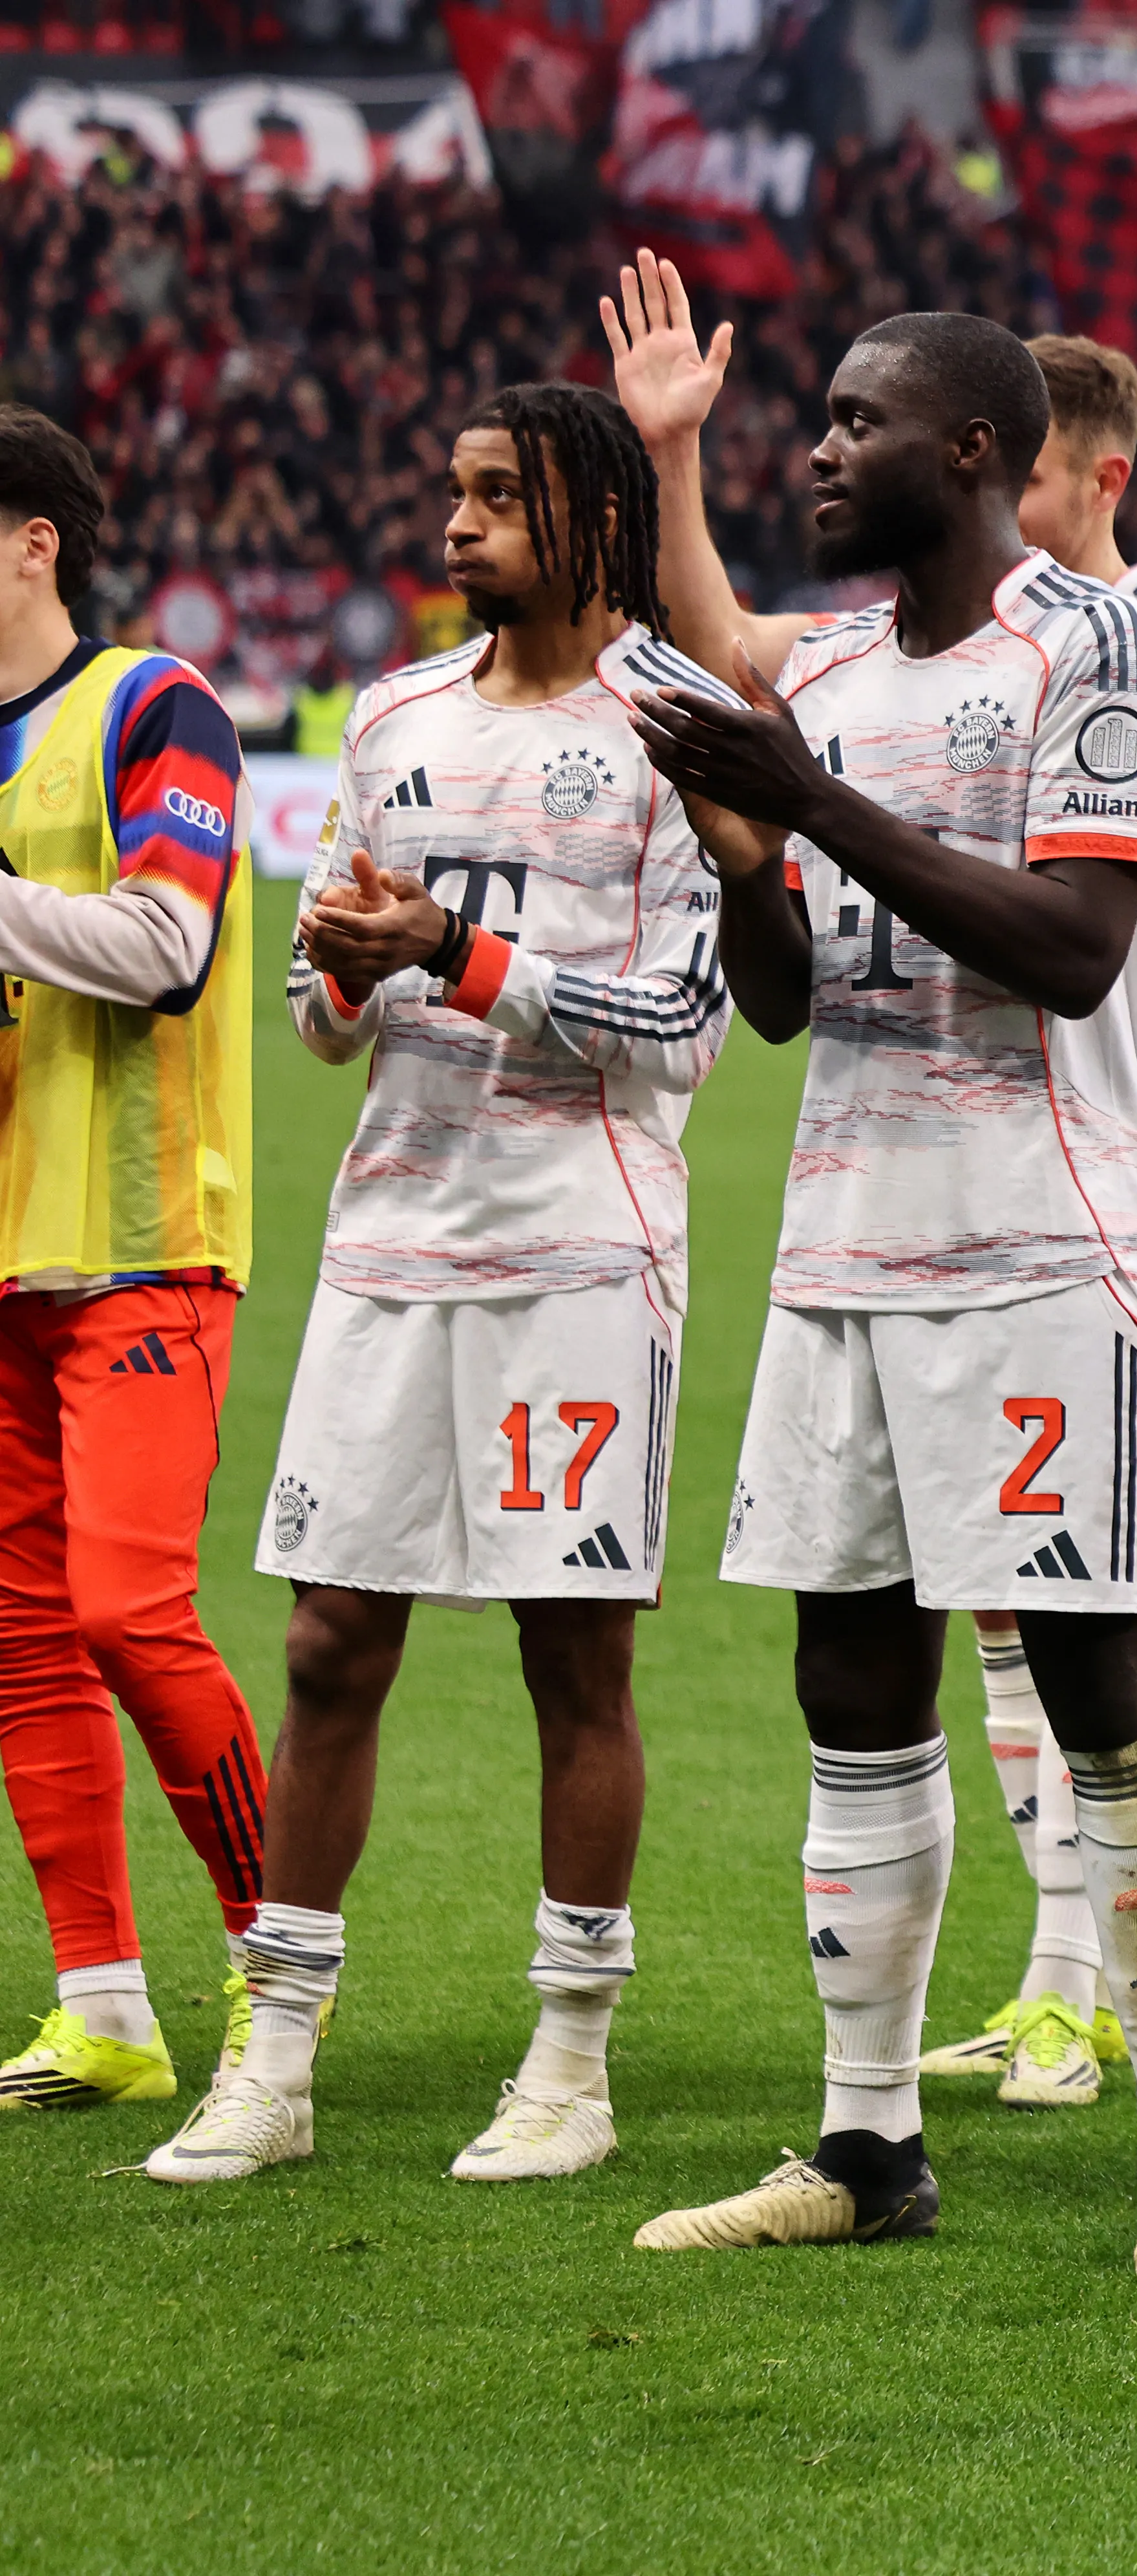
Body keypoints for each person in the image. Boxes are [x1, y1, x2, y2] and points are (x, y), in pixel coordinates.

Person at [604, 295, 1137, 2285]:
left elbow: (1071, 948)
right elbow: (793, 1005)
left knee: (1094, 1684)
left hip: (1055, 1247)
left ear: (974, 450)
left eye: (858, 421)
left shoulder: (1107, 649)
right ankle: (866, 2138)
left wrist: (807, 804)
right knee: (850, 1688)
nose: (821, 449)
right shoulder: (848, 681)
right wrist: (742, 862)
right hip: (848, 1248)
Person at [145, 385, 730, 2189]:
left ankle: (568, 2064)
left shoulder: (682, 721)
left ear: (599, 520)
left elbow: (687, 1028)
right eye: (457, 491)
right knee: (329, 1644)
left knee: (575, 1657)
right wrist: (338, 965)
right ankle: (277, 2056)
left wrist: (462, 955)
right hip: (393, 1239)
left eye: (502, 496)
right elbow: (328, 1026)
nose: (461, 523)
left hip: (580, 1249)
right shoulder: (393, 716)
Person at [907, 332, 1137, 2116]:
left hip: (1133, 1161)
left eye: (1025, 482)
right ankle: (1052, 1985)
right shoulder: (959, 640)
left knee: (1104, 1580)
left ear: (1096, 475)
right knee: (987, 1591)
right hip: (963, 1176)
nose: (997, 514)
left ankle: (1101, 1985)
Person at [0, 405, 266, 2116]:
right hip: (7, 1250)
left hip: (148, 1236)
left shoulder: (156, 705)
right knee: (22, 1637)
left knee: (128, 1609)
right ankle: (100, 2003)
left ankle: (279, 1957)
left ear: (33, 538)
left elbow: (167, 946)